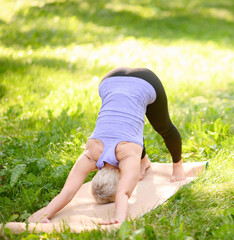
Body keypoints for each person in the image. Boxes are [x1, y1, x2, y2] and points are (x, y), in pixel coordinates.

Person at [29, 67, 186, 224]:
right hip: (109, 79)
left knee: (163, 128)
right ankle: (144, 162)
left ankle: (178, 165)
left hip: (146, 81)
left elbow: (123, 193)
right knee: (129, 133)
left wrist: (119, 219)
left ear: (120, 176)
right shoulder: (90, 155)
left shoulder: (126, 156)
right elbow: (67, 192)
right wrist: (45, 213)